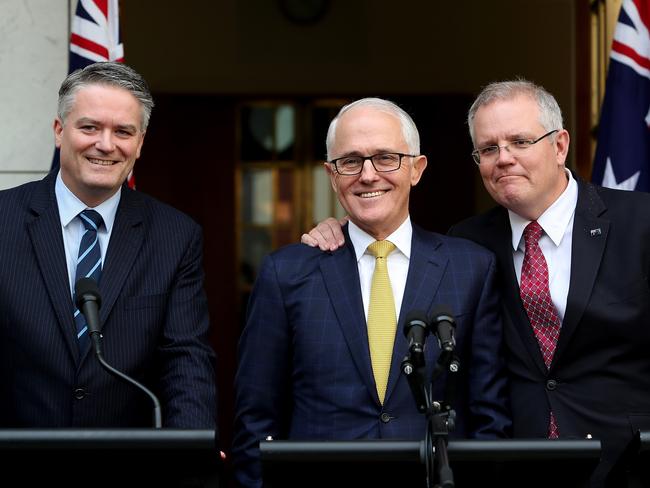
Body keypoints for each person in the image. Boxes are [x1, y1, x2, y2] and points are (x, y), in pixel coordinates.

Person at [303, 80, 650, 485]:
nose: (503, 159)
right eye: (488, 149)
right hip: (519, 464)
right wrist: (345, 228)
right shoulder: (468, 243)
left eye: (520, 142)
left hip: (629, 464)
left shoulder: (640, 224)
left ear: (559, 146)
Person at [233, 97, 511, 488]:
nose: (367, 174)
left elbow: (490, 416)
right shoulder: (287, 272)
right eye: (350, 161)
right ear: (332, 175)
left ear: (417, 169)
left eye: (385, 158)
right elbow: (255, 417)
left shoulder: (471, 268)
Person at [0, 62, 217, 429]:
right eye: (89, 127)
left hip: (126, 462)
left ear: (140, 143)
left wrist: (189, 453)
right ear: (59, 131)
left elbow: (185, 361)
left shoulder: (176, 236)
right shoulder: (4, 220)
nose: (106, 144)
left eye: (123, 131)